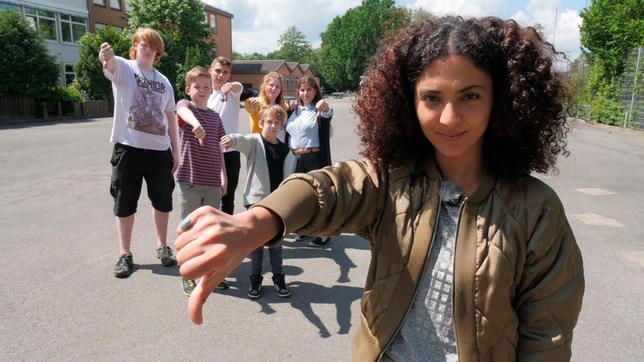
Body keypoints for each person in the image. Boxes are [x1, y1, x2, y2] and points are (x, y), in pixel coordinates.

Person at [175, 16, 585, 361]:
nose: (449, 116)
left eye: (471, 95)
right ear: (409, 103)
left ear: (503, 99)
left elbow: (546, 343)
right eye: (431, 97)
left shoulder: (537, 211)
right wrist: (253, 225)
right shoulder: (391, 181)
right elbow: (327, 189)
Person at [99, 27, 180, 278]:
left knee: (162, 202)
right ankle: (125, 254)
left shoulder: (164, 81)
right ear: (135, 46)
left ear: (158, 52)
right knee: (124, 203)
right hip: (128, 149)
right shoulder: (125, 67)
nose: (147, 49)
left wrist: (175, 150)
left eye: (152, 46)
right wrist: (107, 56)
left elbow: (170, 116)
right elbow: (110, 66)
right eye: (143, 44)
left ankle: (162, 246)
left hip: (159, 151)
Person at [220, 104, 296, 299]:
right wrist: (232, 139)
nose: (272, 126)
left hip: (277, 203)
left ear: (281, 126)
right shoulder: (255, 141)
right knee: (255, 244)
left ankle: (279, 277)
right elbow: (241, 140)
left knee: (276, 243)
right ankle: (255, 278)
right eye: (269, 122)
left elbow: (289, 180)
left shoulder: (286, 151)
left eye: (277, 123)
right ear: (261, 123)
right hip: (255, 201)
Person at [175, 66, 228, 296]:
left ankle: (209, 272)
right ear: (189, 89)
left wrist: (223, 176)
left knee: (210, 232)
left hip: (212, 184)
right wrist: (195, 124)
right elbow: (181, 109)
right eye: (197, 86)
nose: (203, 90)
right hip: (190, 182)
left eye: (206, 87)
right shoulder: (185, 109)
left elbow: (220, 149)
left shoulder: (215, 117)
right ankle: (188, 274)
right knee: (188, 231)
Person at [284, 76, 333, 246]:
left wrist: (325, 107)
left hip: (314, 157)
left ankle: (324, 233)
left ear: (315, 91)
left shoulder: (319, 109)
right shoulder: (293, 110)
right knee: (300, 196)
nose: (305, 93)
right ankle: (305, 229)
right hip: (295, 158)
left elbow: (327, 114)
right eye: (302, 90)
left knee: (320, 196)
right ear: (298, 91)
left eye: (309, 90)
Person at [207, 56, 243, 216]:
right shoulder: (203, 95)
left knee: (228, 198)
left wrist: (231, 86)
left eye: (225, 72)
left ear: (229, 75)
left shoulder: (234, 93)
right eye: (217, 71)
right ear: (210, 71)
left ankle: (227, 234)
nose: (221, 75)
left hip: (231, 152)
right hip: (209, 153)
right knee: (210, 196)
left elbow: (238, 86)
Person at [244, 71, 289, 137]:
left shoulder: (284, 106)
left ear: (280, 90)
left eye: (277, 87)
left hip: (278, 143)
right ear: (264, 86)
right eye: (271, 85)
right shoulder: (256, 103)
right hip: (260, 143)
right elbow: (249, 105)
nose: (274, 88)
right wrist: (252, 105)